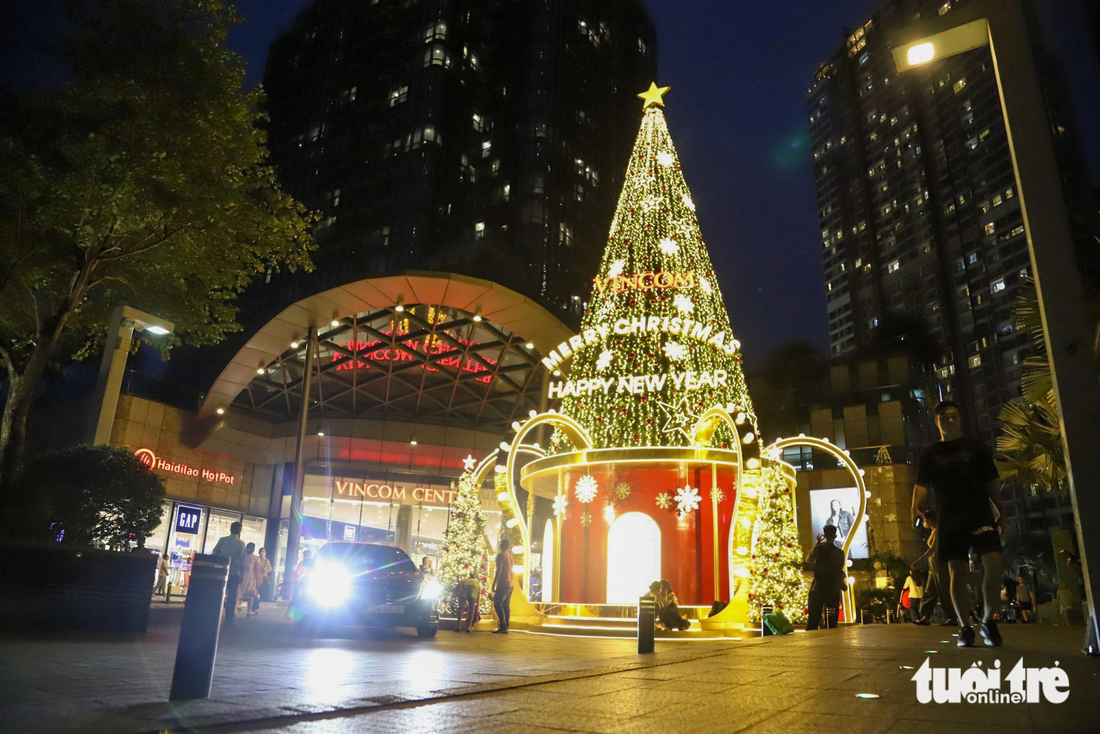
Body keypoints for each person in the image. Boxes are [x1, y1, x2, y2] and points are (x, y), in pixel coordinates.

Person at [911, 401, 1006, 648]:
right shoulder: (930, 454)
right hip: (950, 518)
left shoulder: (977, 447)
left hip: (980, 514)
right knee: (957, 572)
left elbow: (991, 481)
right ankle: (964, 627)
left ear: (960, 419)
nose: (950, 421)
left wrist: (1002, 511)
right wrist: (914, 507)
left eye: (954, 416)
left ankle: (988, 620)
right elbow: (921, 485)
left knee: (994, 564)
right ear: (937, 422)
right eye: (945, 418)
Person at [912, 511, 957, 626]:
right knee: (930, 589)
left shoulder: (939, 531)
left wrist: (919, 560)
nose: (924, 523)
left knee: (943, 589)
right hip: (933, 563)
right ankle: (926, 616)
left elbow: (933, 549)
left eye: (924, 520)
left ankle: (951, 617)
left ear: (929, 520)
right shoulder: (934, 531)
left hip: (940, 562)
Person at [804, 525, 845, 630]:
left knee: (814, 616)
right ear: (835, 536)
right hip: (832, 586)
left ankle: (812, 637)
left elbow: (808, 560)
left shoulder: (818, 549)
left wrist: (816, 544)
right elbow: (839, 569)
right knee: (831, 618)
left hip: (818, 586)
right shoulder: (839, 553)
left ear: (824, 535)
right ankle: (832, 638)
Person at [212, 522, 247, 624]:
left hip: (222, 571)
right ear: (239, 531)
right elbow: (242, 560)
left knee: (219, 593)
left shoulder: (222, 540)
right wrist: (242, 574)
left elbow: (215, 553)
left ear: (230, 529)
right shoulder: (241, 543)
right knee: (232, 595)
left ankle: (216, 612)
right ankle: (229, 617)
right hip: (234, 572)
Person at [492, 539, 515, 634]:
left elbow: (499, 570)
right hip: (510, 583)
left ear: (501, 545)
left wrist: (494, 583)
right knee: (506, 605)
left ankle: (503, 625)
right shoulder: (510, 556)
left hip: (503, 583)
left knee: (497, 603)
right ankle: (506, 626)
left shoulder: (501, 555)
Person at [237, 543, 260, 615]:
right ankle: (248, 611)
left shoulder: (243, 557)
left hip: (243, 577)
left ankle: (238, 608)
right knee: (249, 594)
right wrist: (259, 580)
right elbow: (257, 570)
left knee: (240, 593)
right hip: (250, 578)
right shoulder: (255, 558)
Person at [252, 547, 273, 614]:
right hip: (255, 578)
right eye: (261, 551)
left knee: (259, 593)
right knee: (254, 592)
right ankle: (253, 607)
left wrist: (265, 570)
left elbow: (270, 568)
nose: (262, 553)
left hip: (263, 578)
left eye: (264, 551)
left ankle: (256, 607)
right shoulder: (256, 559)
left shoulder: (267, 561)